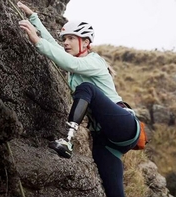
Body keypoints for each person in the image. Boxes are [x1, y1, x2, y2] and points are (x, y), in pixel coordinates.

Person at [17, 2, 141, 197]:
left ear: (85, 42)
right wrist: (35, 19)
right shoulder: (74, 69)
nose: (66, 43)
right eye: (65, 38)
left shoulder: (94, 61)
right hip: (105, 140)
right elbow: (55, 48)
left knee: (86, 88)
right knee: (114, 192)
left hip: (123, 124)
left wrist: (36, 40)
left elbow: (68, 61)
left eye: (71, 38)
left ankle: (67, 139)